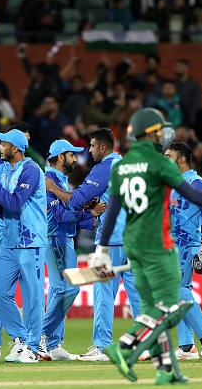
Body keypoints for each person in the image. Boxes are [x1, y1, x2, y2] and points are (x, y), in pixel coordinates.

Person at [91, 108, 202, 385]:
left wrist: (102, 250)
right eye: (158, 130)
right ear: (148, 133)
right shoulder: (159, 163)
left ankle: (166, 371)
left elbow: (113, 212)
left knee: (153, 307)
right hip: (159, 245)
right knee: (171, 306)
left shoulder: (121, 167)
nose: (162, 135)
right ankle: (124, 347)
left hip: (131, 245)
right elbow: (193, 194)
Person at [45, 128, 141, 362]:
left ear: (103, 148)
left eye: (91, 146)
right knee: (138, 295)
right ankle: (148, 343)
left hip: (113, 239)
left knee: (103, 293)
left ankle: (102, 346)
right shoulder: (129, 165)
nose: (88, 151)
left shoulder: (104, 168)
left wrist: (54, 189)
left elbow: (76, 200)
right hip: (136, 237)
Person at [0, 129, 48, 363]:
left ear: (15, 148)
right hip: (9, 240)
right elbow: (3, 209)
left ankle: (33, 347)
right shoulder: (7, 170)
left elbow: (15, 203)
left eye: (3, 144)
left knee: (34, 295)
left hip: (30, 241)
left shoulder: (31, 170)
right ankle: (20, 339)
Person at [39, 140, 105, 361]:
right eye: (72, 155)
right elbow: (59, 216)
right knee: (66, 289)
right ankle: (41, 336)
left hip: (64, 238)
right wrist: (90, 215)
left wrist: (90, 219)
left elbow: (70, 216)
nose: (76, 158)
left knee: (61, 289)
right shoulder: (49, 180)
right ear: (60, 157)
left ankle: (54, 345)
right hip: (55, 238)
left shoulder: (60, 181)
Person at [164, 142, 202, 360]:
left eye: (169, 156)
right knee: (181, 290)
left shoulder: (196, 183)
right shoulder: (172, 182)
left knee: (177, 289)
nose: (165, 159)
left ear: (181, 159)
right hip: (173, 245)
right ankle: (187, 347)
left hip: (188, 244)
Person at [0, 122, 30, 362]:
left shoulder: (28, 168)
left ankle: (29, 342)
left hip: (25, 234)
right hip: (2, 231)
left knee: (30, 290)